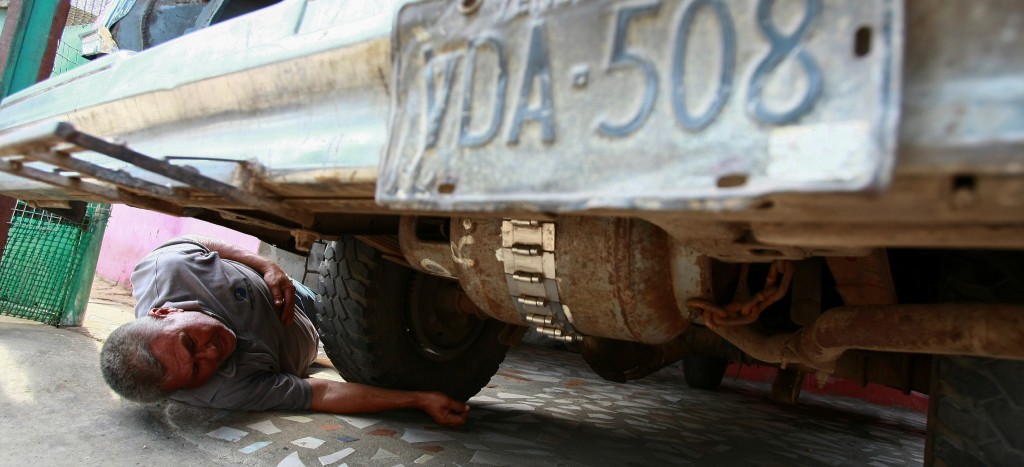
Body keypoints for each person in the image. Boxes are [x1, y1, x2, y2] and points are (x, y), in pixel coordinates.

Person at [99, 234, 470, 426]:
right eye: (196, 370)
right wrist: (419, 399)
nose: (210, 353)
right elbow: (321, 393)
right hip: (314, 333)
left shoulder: (167, 268)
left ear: (165, 311)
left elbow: (200, 243)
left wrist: (265, 266)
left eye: (189, 341)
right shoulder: (222, 392)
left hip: (289, 289)